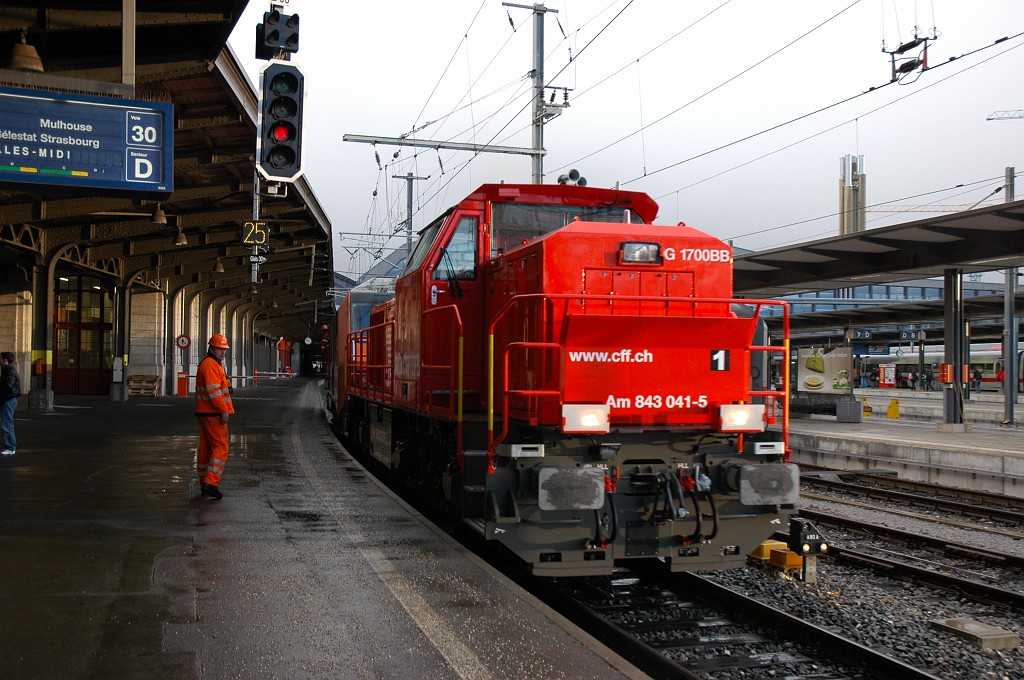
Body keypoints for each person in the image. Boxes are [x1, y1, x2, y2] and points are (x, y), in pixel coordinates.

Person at [195, 334, 235, 500]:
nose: (222, 352)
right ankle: (211, 483)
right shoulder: (211, 365)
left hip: (204, 412)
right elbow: (214, 391)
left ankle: (204, 482)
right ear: (211, 348)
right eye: (220, 349)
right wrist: (223, 410)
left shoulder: (210, 363)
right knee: (221, 447)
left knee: (205, 450)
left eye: (224, 349)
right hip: (213, 414)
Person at [0, 352, 20, 456]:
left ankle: (11, 447)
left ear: (5, 359)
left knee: (7, 424)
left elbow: (8, 386)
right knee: (6, 423)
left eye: (1, 358)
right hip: (7, 399)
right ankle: (10, 446)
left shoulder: (9, 371)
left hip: (8, 399)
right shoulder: (8, 370)